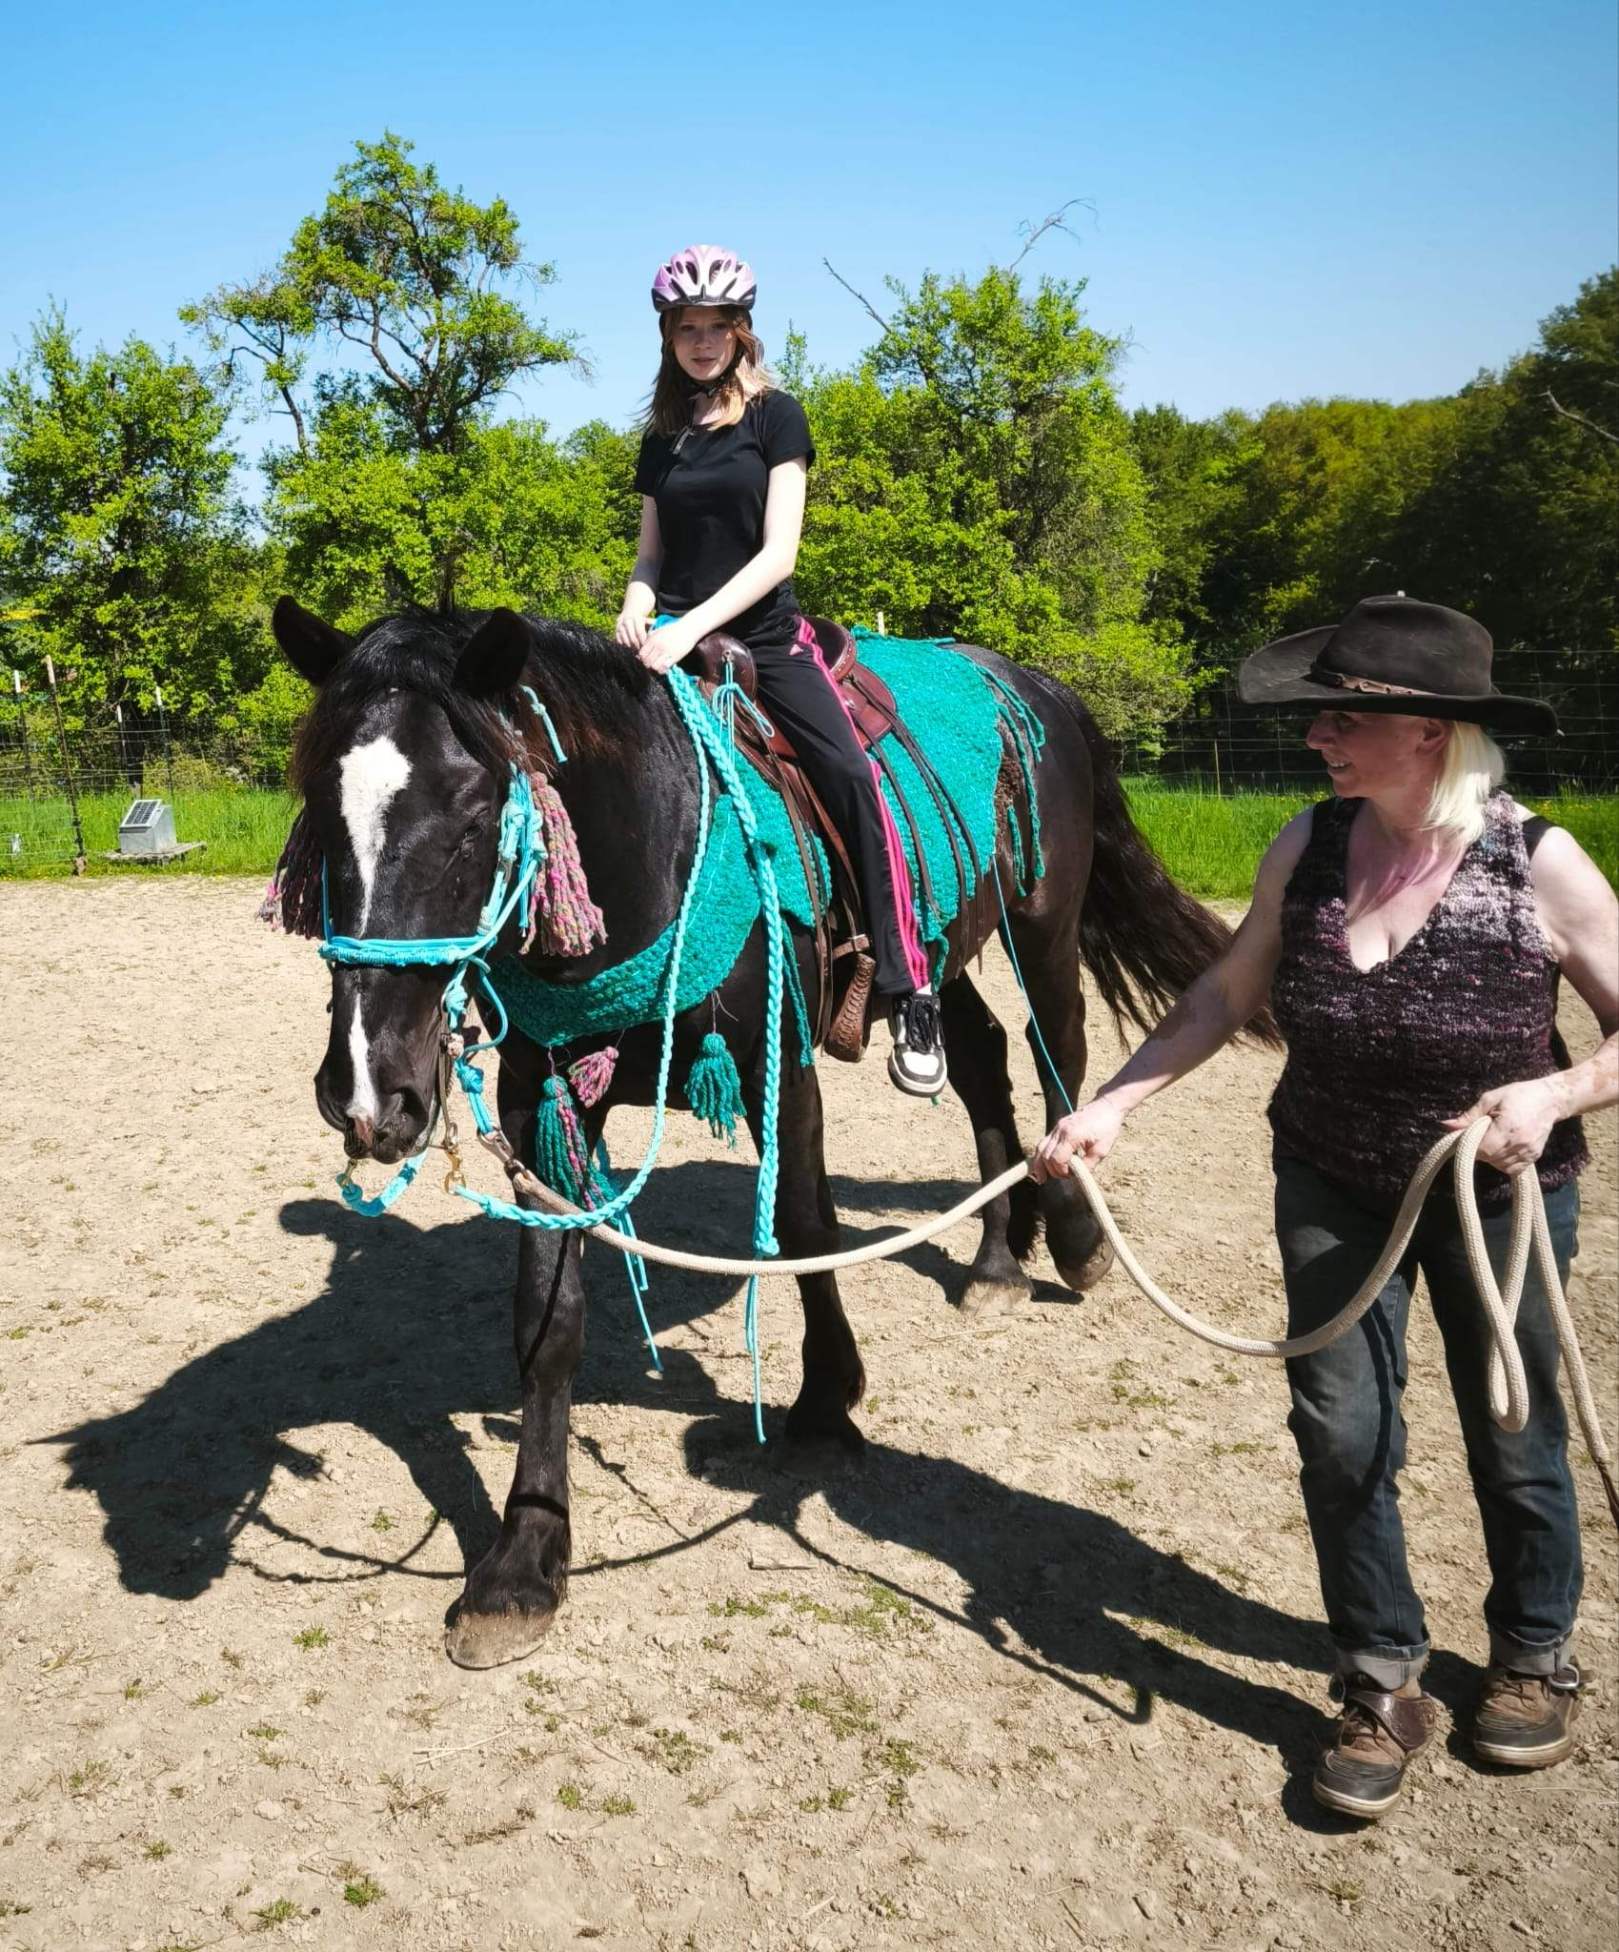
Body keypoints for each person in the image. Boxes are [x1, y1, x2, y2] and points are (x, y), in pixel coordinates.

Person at [1031, 595, 1618, 1820]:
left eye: (1343, 716)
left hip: (1489, 1198)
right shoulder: (1305, 843)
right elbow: (1221, 993)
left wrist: (1555, 1093)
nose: (1318, 737)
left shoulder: (1537, 859)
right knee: (1340, 1430)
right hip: (1325, 1179)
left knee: (1510, 1435)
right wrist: (1113, 1104)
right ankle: (1378, 1674)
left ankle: (1530, 1652)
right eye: (1319, 714)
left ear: (1429, 730)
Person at [616, 244, 944, 1095]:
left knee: (846, 775)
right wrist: (635, 603)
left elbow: (776, 555)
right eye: (685, 327)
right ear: (667, 335)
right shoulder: (662, 439)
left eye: (714, 327)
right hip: (671, 639)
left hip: (762, 641)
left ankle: (909, 986)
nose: (699, 341)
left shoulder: (777, 419)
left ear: (740, 332)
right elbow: (651, 552)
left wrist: (688, 625)